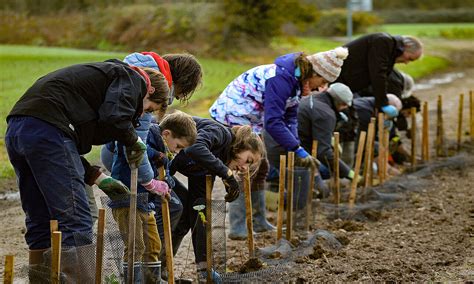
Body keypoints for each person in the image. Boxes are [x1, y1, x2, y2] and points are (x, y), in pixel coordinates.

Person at [4, 60, 170, 277]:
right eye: (148, 108)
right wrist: (134, 141)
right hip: (47, 130)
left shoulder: (101, 82)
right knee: (77, 221)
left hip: (19, 130)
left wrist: (99, 178)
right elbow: (114, 118)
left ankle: (40, 281)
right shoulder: (132, 78)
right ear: (150, 90)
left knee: (40, 218)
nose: (140, 116)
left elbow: (63, 149)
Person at [209, 46, 348, 239]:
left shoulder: (296, 82)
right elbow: (273, 122)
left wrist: (296, 147)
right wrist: (297, 149)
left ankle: (258, 221)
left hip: (250, 120)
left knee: (262, 167)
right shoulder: (281, 79)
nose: (320, 87)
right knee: (245, 167)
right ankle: (238, 227)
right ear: (314, 72)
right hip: (233, 116)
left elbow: (290, 117)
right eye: (322, 81)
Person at [170, 117, 265, 282]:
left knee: (190, 215)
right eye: (248, 160)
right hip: (143, 157)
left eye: (250, 166)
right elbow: (195, 148)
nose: (244, 168)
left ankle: (163, 271)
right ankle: (150, 272)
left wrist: (204, 269)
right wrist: (227, 174)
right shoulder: (220, 133)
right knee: (175, 208)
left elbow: (200, 216)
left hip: (160, 172)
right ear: (241, 145)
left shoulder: (210, 166)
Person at [106, 111, 197, 282]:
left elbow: (166, 173)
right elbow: (135, 147)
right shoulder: (149, 133)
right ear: (167, 134)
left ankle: (152, 280)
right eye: (178, 146)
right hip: (128, 196)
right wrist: (156, 154)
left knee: (154, 244)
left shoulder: (165, 148)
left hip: (146, 202)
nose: (177, 151)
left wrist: (167, 184)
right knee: (136, 245)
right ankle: (134, 280)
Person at [336, 32, 422, 117]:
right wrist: (383, 104)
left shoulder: (390, 53)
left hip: (345, 84)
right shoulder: (383, 42)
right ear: (407, 47)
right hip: (335, 78)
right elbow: (378, 74)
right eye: (410, 58)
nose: (406, 62)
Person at [298, 83, 356, 194]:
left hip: (282, 147)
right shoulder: (325, 113)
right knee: (321, 191)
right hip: (295, 155)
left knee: (324, 172)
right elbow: (323, 152)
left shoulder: (312, 98)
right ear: (341, 103)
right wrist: (349, 173)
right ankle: (276, 196)